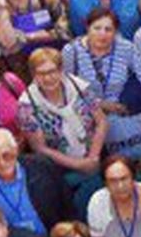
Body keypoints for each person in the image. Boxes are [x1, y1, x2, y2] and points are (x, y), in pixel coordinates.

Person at [62, 9, 141, 159]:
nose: (102, 34)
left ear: (115, 32)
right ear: (87, 28)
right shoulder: (71, 51)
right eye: (97, 28)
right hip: (88, 116)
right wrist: (100, 105)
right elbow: (67, 88)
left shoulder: (126, 48)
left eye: (108, 29)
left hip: (123, 111)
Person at [20, 47, 108, 203]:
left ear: (61, 70)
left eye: (52, 71)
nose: (48, 78)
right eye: (41, 73)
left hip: (95, 157)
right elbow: (40, 148)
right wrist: (79, 164)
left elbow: (101, 121)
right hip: (63, 170)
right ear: (33, 75)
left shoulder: (79, 87)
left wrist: (93, 158)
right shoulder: (26, 106)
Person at [0, 129, 67, 235]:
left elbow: (66, 203)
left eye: (6, 155)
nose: (2, 163)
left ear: (15, 150)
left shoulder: (42, 167)